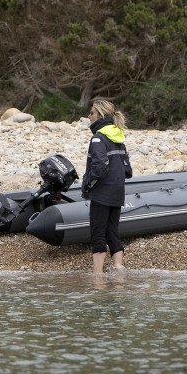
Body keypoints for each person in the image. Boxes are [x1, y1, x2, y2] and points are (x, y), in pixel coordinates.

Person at [82, 98, 132, 275]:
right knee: (112, 231)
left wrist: (88, 184)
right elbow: (127, 169)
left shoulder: (98, 139)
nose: (89, 116)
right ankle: (118, 271)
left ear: (100, 115)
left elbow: (100, 167)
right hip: (117, 192)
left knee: (98, 233)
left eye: (91, 113)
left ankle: (98, 276)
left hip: (102, 193)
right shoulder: (118, 136)